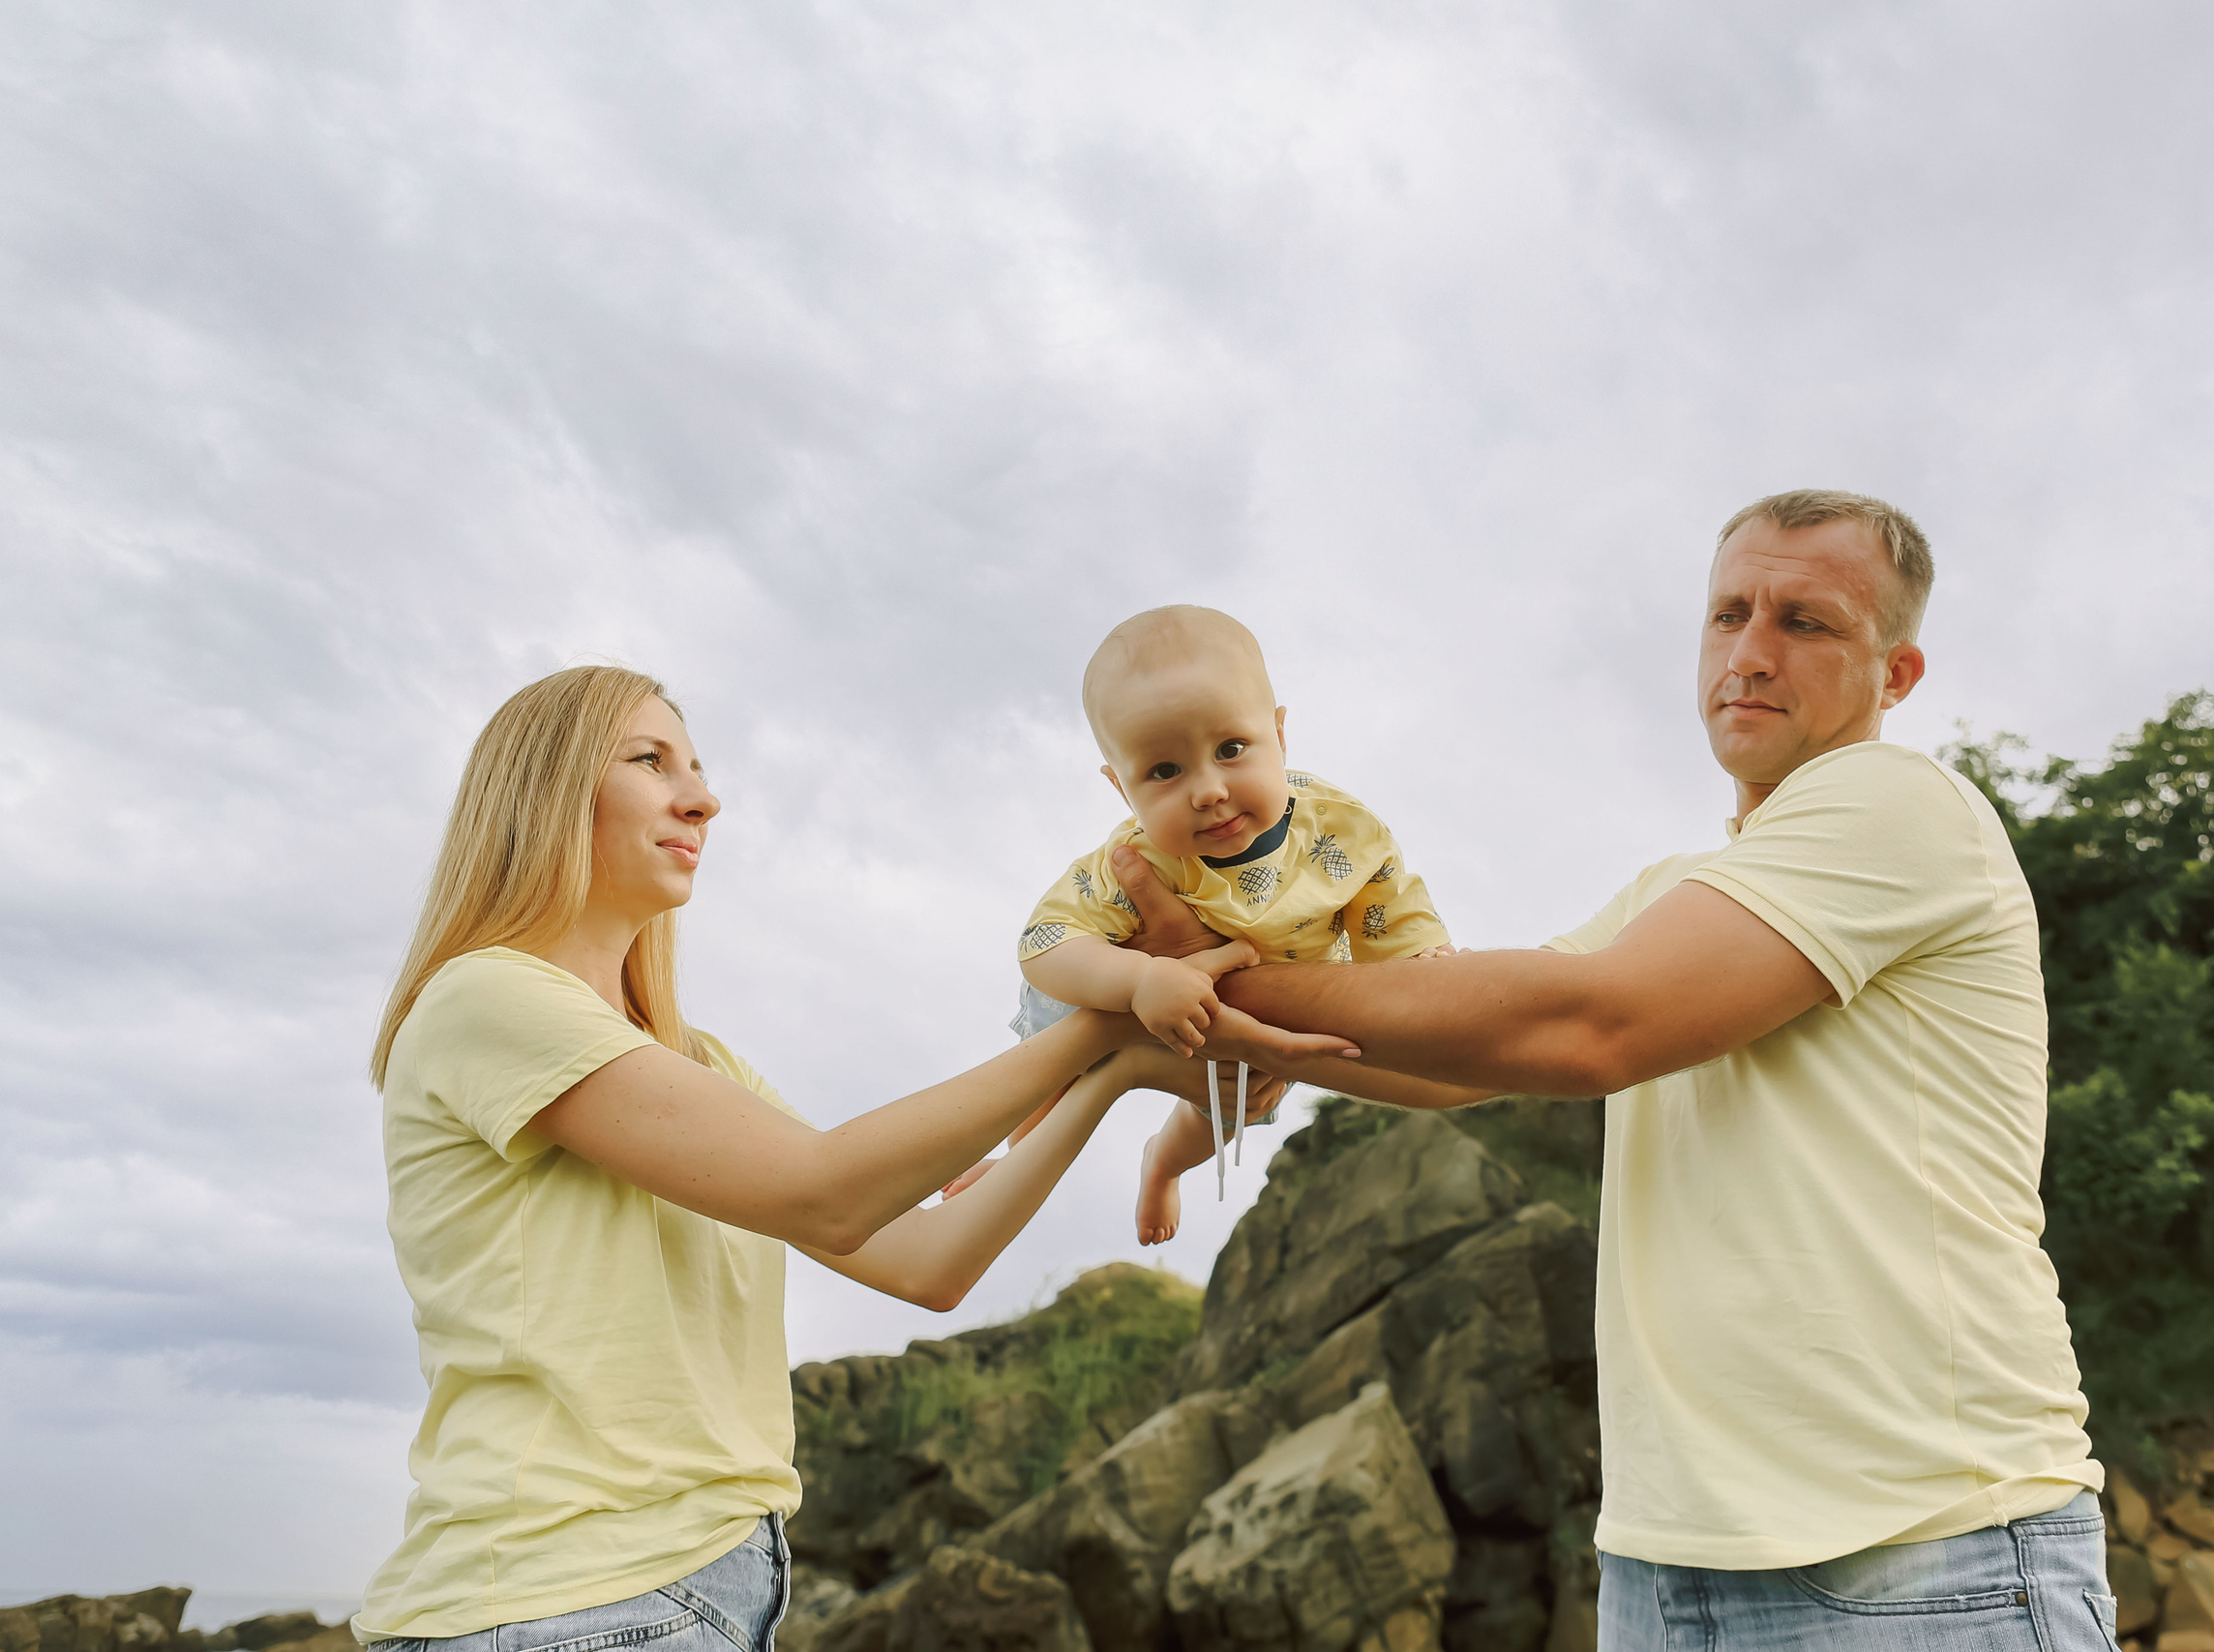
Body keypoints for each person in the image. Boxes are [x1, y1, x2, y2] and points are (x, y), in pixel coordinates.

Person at [1123, 493, 2115, 1649]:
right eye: (1727, 614)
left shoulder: (1899, 804)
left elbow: (1596, 1030)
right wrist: (1229, 1022)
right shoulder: (1669, 895)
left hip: (1921, 1556)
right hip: (1665, 1567)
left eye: (1806, 622)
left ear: (1896, 676)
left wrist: (1209, 986)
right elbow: (1460, 1061)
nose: (1747, 654)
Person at [351, 666, 1329, 1652]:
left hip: (705, 1592)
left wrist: (1110, 1072)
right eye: (650, 761)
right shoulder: (487, 1000)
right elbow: (830, 1195)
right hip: (559, 1599)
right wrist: (1100, 1025)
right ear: (544, 789)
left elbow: (924, 1262)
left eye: (697, 766)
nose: (703, 797)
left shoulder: (698, 1066)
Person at [996, 605, 1451, 1245]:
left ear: (1280, 734)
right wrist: (1135, 980)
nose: (1207, 789)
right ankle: (1010, 1168)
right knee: (1045, 1082)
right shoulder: (1135, 859)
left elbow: (1386, 900)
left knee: (1227, 1110)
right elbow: (1044, 942)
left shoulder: (1340, 829)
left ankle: (1162, 1163)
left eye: (1231, 749)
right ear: (1122, 789)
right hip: (1120, 994)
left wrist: (1422, 959)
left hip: (1258, 1005)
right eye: (1163, 771)